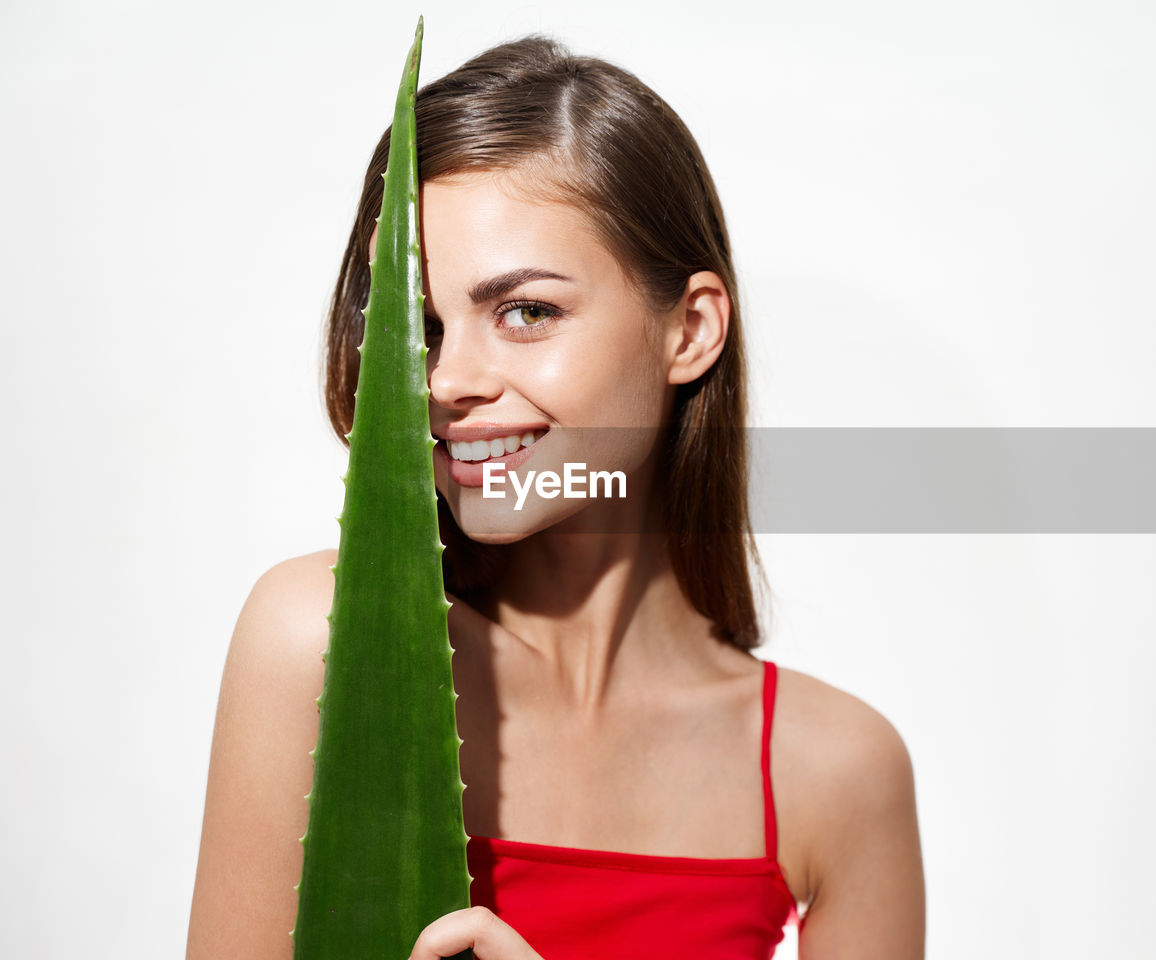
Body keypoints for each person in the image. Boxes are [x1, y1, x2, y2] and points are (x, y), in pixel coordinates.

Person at [186, 34, 925, 960]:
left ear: (689, 331)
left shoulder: (838, 772)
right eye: (421, 325)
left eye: (525, 312)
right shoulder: (328, 639)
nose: (448, 378)